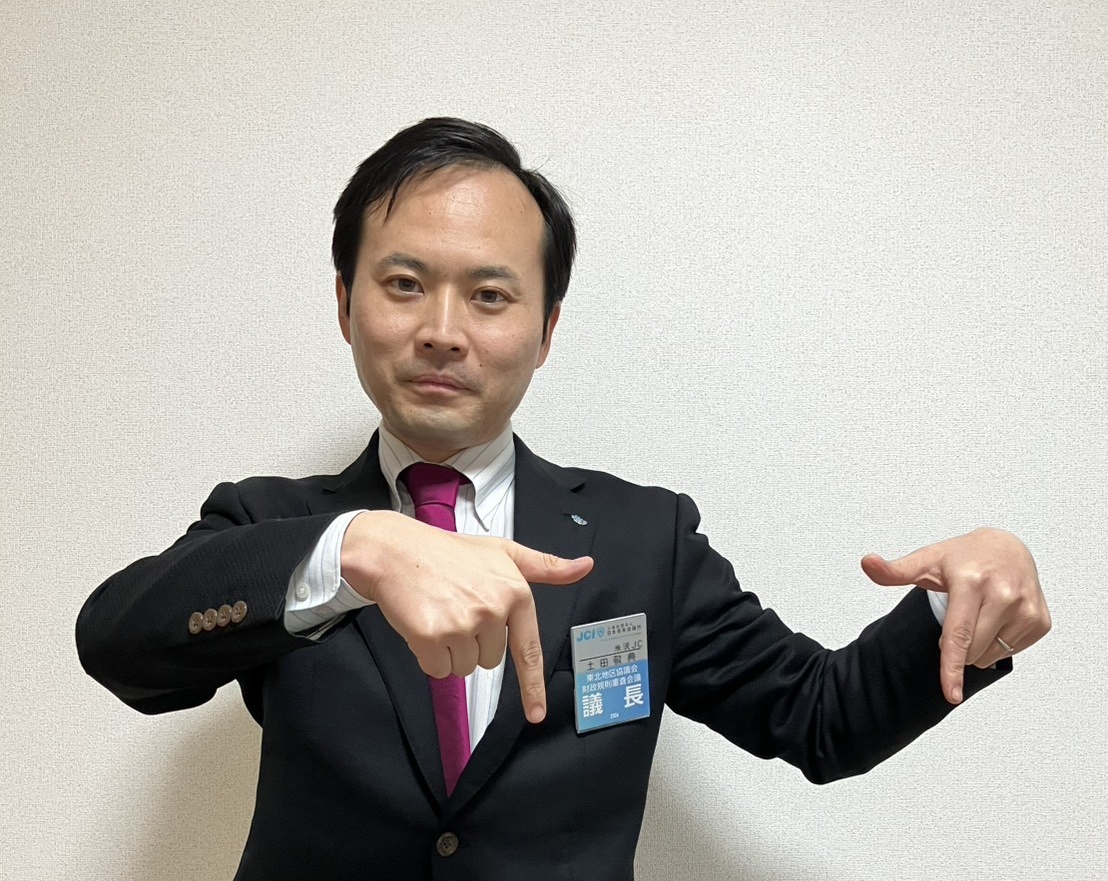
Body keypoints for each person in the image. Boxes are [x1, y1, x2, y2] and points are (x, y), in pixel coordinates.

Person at [76, 117, 1051, 880]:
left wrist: (960, 609)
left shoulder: (645, 539)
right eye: (405, 284)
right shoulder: (272, 526)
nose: (442, 330)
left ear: (545, 330)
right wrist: (354, 549)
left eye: (490, 296)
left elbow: (820, 718)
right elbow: (118, 644)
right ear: (345, 304)